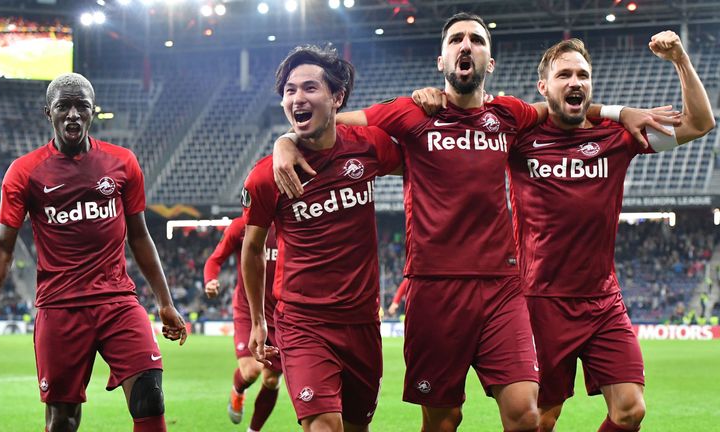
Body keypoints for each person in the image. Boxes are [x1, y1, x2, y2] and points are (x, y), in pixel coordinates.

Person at [271, 13, 676, 432]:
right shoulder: (410, 113)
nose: (466, 45)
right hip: (434, 289)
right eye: (456, 40)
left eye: (477, 40)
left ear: (490, 62)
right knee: (444, 421)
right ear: (442, 61)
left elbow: (557, 106)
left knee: (526, 414)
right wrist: (286, 139)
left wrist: (617, 110)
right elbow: (331, 126)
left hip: (502, 287)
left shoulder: (508, 114)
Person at [507, 33, 713, 432]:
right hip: (540, 300)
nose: (575, 82)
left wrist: (681, 60)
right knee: (540, 418)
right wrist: (616, 109)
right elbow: (486, 114)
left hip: (603, 301)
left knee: (631, 409)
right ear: (543, 86)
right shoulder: (522, 137)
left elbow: (701, 123)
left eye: (582, 75)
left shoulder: (619, 137)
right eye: (563, 74)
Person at [0, 73, 188, 432]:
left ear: (92, 111)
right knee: (63, 421)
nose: (72, 114)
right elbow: (3, 246)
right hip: (60, 307)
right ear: (48, 113)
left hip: (118, 300)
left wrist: (164, 301)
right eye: (63, 107)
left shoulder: (122, 163)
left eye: (81, 106)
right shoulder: (25, 172)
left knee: (150, 395)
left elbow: (141, 236)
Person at [242, 45, 402, 432]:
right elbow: (252, 248)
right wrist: (258, 321)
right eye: (290, 90)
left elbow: (424, 162)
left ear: (337, 97)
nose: (298, 97)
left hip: (363, 322)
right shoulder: (267, 177)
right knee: (324, 426)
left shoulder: (368, 146)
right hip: (303, 323)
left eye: (310, 88)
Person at [203, 217, 282, 431]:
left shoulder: (291, 223)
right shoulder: (241, 226)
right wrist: (210, 280)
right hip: (248, 309)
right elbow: (215, 259)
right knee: (251, 372)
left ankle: (253, 430)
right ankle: (238, 390)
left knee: (272, 381)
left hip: (281, 314)